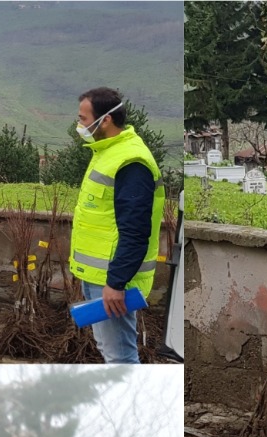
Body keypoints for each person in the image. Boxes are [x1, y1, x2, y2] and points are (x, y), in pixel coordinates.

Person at [68, 86, 164, 364]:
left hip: (111, 280)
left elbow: (135, 231)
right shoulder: (107, 152)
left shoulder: (131, 161)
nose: (80, 125)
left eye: (83, 119)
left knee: (120, 356)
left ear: (105, 120)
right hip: (98, 276)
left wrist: (116, 282)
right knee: (110, 349)